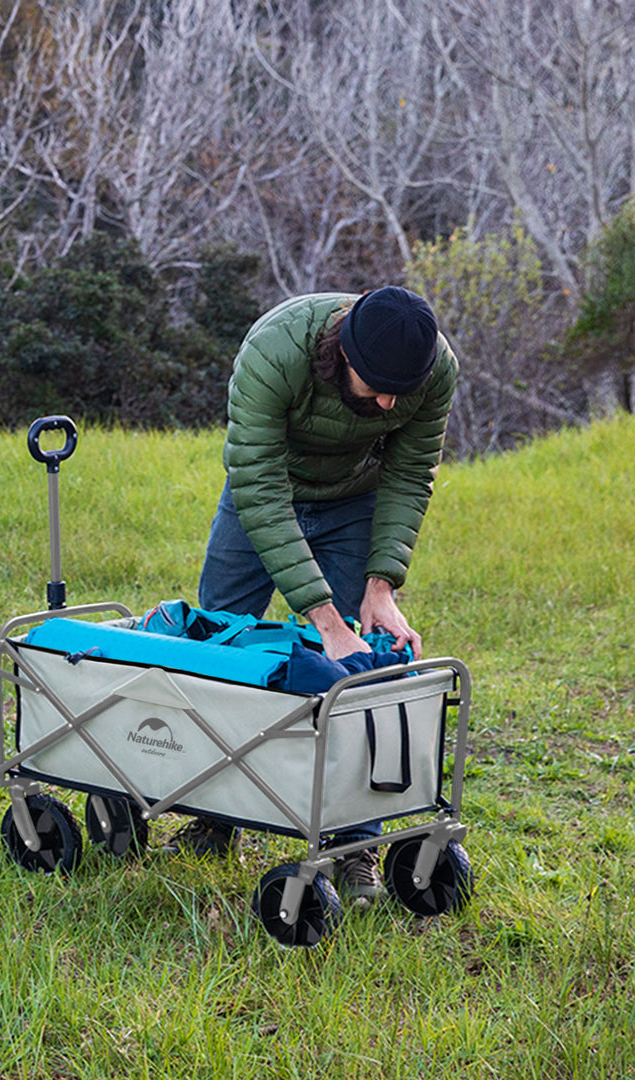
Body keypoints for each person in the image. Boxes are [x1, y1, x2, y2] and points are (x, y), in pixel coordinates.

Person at [166, 287, 459, 902]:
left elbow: (410, 472)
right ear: (340, 352)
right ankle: (216, 816)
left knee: (359, 670)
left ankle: (354, 846)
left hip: (357, 499)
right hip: (263, 498)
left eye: (400, 393)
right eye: (376, 385)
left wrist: (380, 586)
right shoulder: (274, 352)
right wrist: (323, 615)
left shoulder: (432, 370)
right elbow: (259, 484)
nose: (387, 402)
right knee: (223, 645)